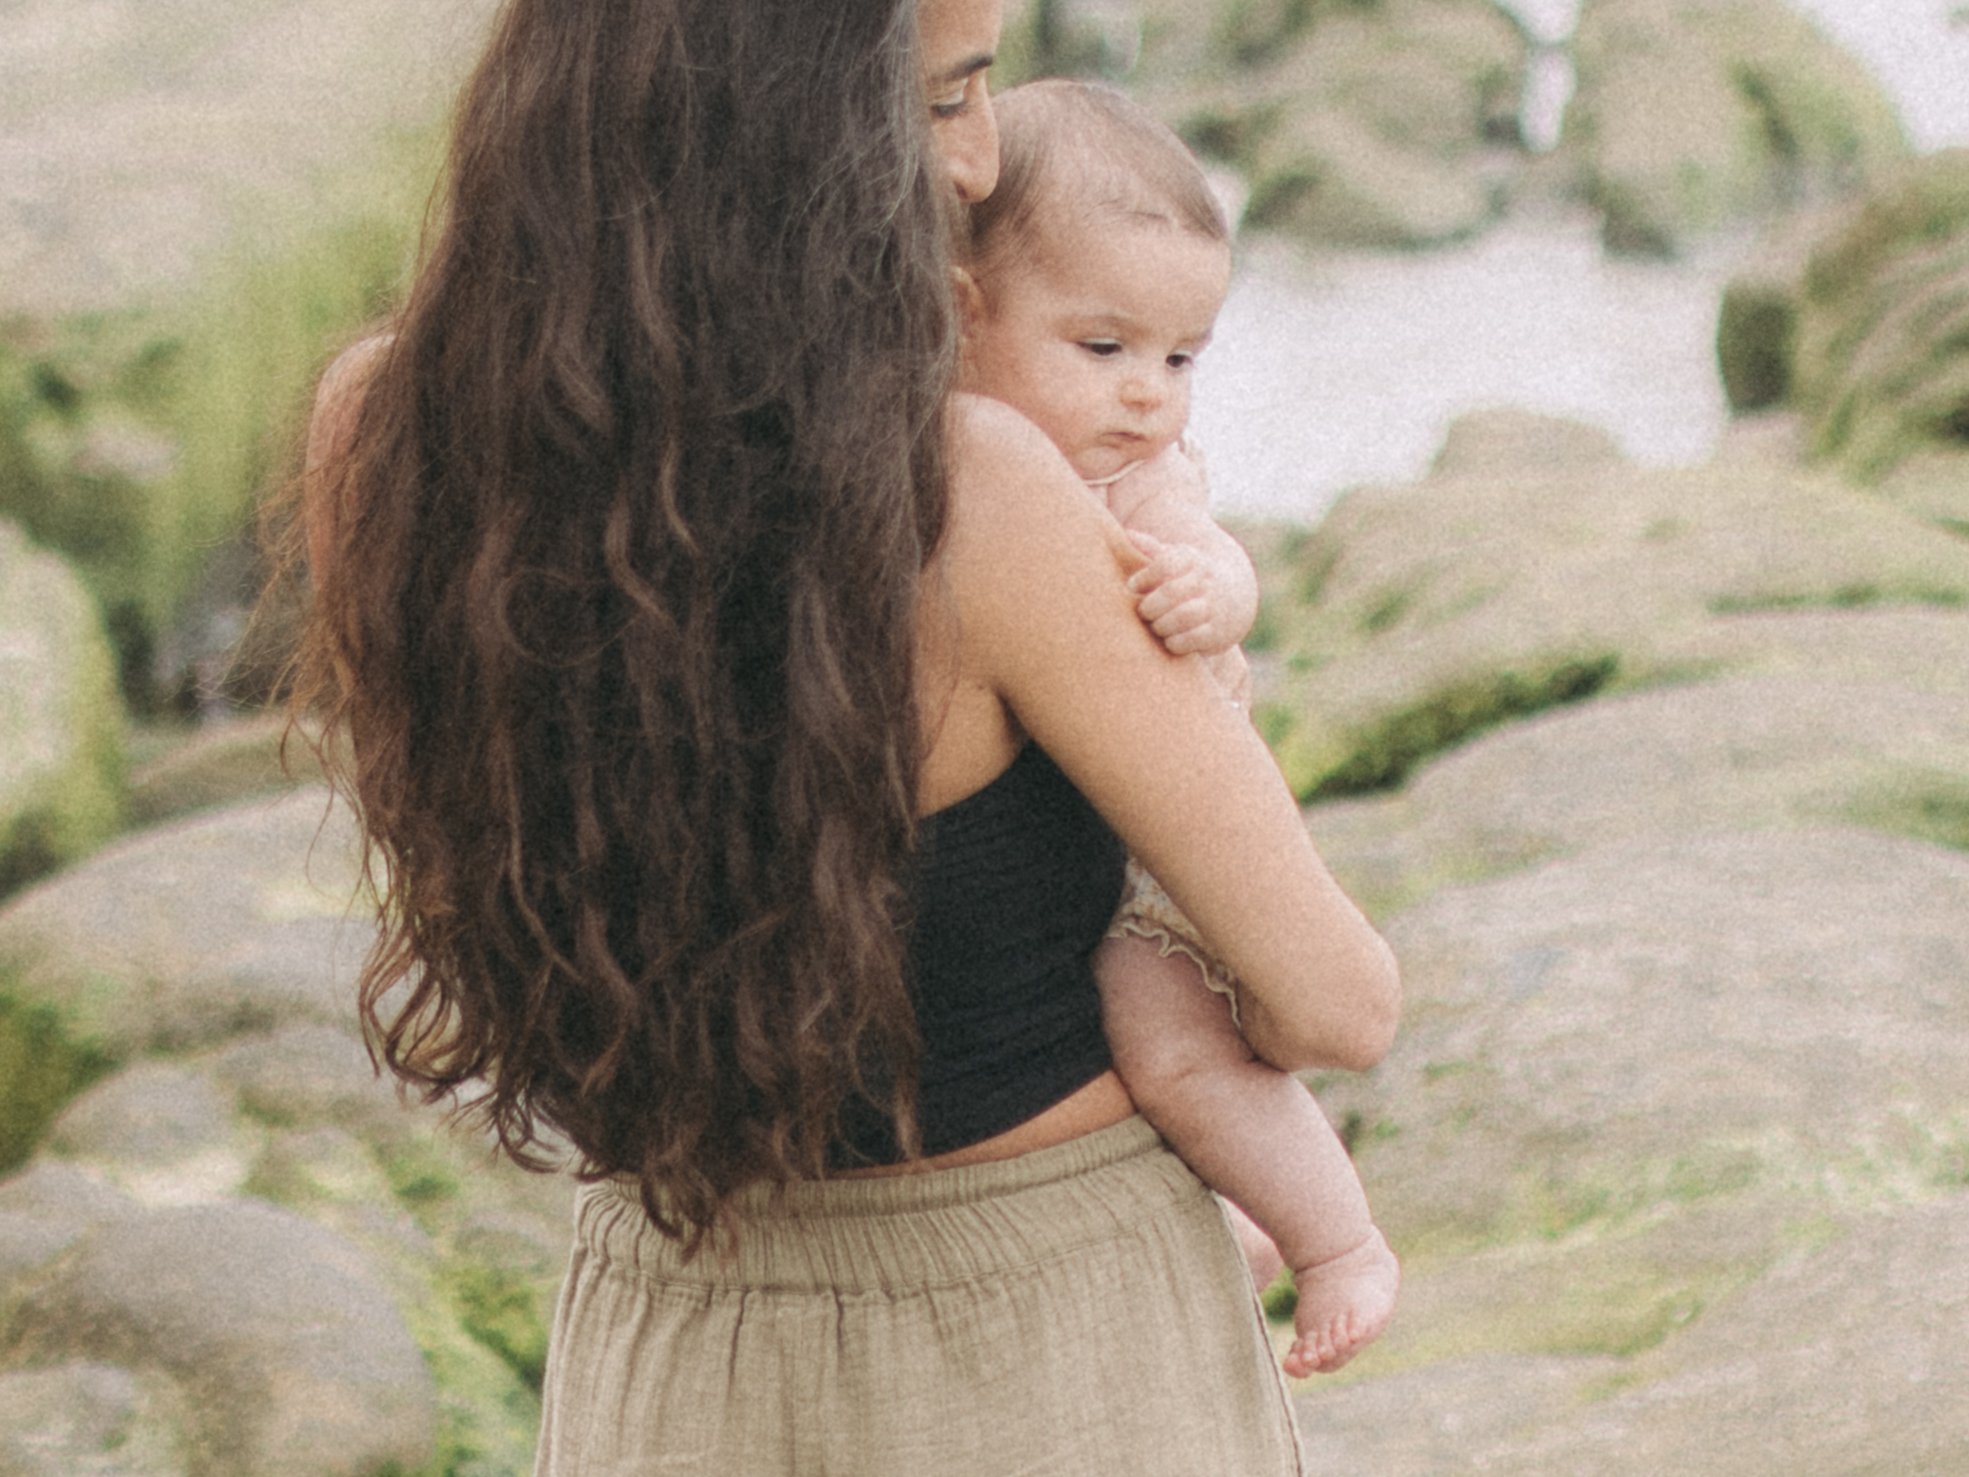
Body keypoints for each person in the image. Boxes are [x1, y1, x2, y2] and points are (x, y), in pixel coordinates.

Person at [286, 0, 1399, 1472]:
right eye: (946, 96)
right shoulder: (969, 490)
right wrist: (1192, 1021)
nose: (981, 160)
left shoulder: (384, 434)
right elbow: (1336, 1002)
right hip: (1044, 1336)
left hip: (670, 1345)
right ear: (785, 122)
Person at [954, 78, 1399, 1379]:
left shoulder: (1134, 473)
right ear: (963, 312)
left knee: (1178, 1047)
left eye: (1180, 358)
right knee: (1124, 1056)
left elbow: (1210, 553)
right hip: (1069, 858)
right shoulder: (966, 472)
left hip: (1160, 854)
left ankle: (1334, 1236)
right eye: (1102, 348)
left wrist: (1215, 589)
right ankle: (1236, 1219)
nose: (1148, 392)